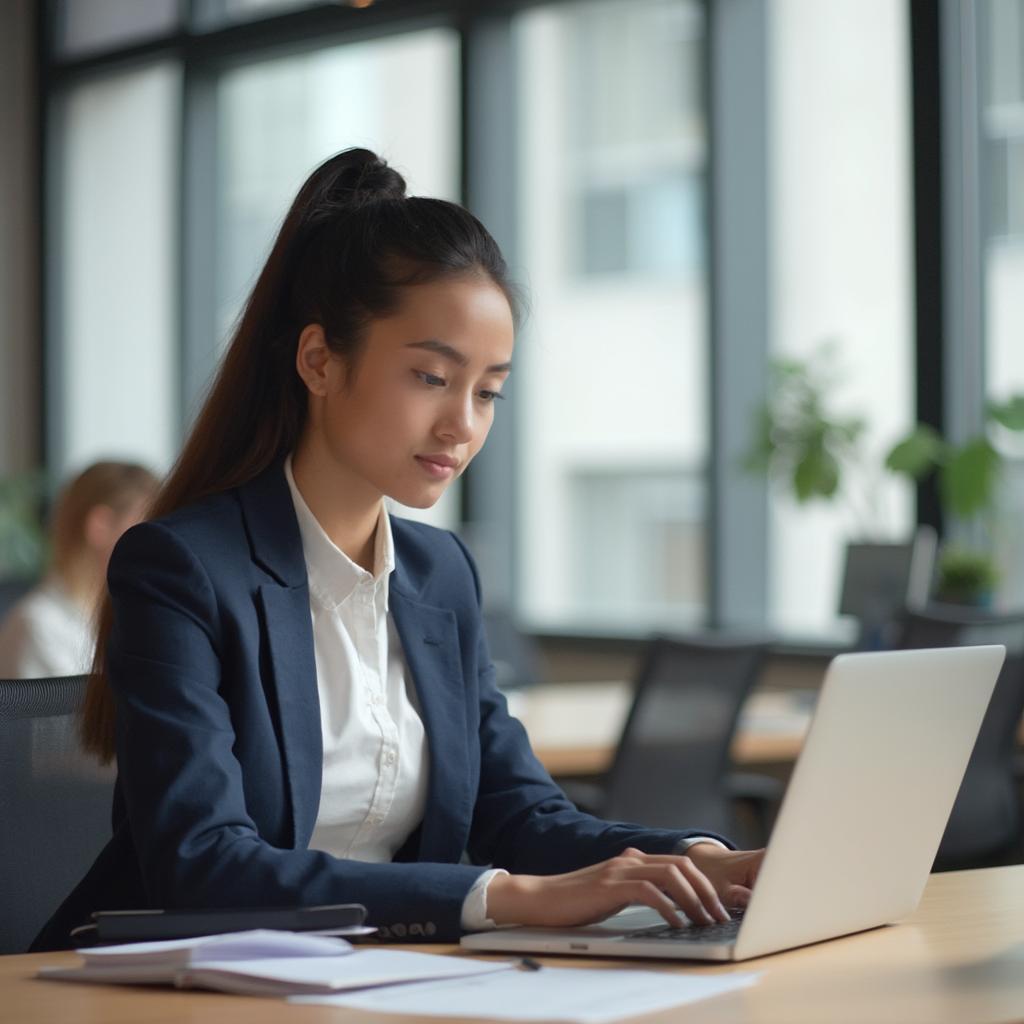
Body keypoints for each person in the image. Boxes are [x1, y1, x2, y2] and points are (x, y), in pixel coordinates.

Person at [34, 149, 763, 951]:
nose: (464, 424)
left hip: (373, 979)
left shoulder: (439, 573)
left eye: (487, 391)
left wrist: (697, 860)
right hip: (167, 986)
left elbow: (519, 812)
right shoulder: (182, 568)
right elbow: (201, 862)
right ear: (319, 360)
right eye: (429, 377)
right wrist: (506, 897)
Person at [0, 461, 157, 679]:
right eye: (143, 527)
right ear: (99, 525)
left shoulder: (124, 618)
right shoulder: (39, 628)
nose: (157, 544)